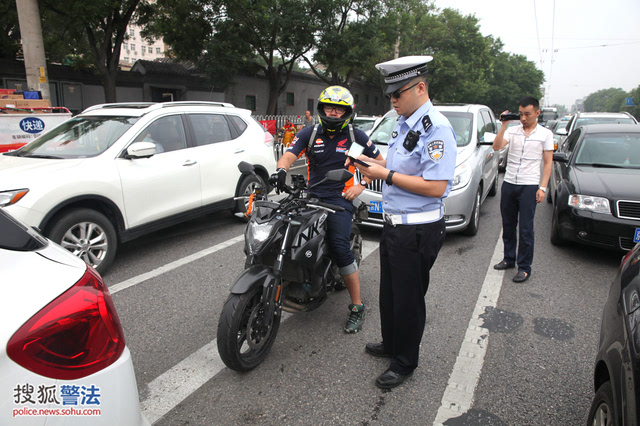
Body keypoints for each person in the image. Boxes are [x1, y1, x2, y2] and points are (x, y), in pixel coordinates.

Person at [351, 56, 456, 389]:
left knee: (409, 298)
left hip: (418, 228)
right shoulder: (404, 121)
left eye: (398, 93)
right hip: (396, 224)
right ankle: (392, 343)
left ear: (420, 88)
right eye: (389, 95)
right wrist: (370, 164)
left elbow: (437, 186)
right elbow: (394, 164)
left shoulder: (436, 127)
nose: (392, 100)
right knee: (390, 293)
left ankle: (405, 361)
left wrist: (387, 175)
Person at [270, 86, 384, 334]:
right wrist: (280, 170)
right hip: (311, 196)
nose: (333, 112)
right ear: (321, 109)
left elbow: (382, 164)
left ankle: (357, 306)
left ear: (347, 112)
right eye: (329, 107)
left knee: (341, 248)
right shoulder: (310, 133)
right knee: (285, 236)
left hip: (340, 200)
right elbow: (290, 154)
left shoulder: (357, 136)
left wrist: (361, 184)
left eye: (339, 108)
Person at [491, 97, 554, 283]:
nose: (523, 118)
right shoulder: (512, 131)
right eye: (521, 114)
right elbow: (496, 146)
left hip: (529, 185)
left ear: (537, 113)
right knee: (508, 225)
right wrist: (503, 125)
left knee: (526, 229)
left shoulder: (545, 134)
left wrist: (543, 187)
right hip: (510, 183)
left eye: (527, 114)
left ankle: (525, 267)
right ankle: (509, 259)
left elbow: (548, 163)